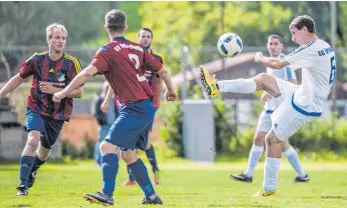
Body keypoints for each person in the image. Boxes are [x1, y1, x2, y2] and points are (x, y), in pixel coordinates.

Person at [53, 9, 178, 206]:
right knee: (127, 154)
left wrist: (63, 92)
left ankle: (107, 194)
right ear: (125, 28)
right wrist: (171, 91)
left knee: (106, 146)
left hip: (134, 108)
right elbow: (162, 70)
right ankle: (152, 196)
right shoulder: (138, 49)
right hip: (145, 107)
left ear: (106, 28)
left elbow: (86, 73)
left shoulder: (107, 50)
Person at [200, 15, 335, 196]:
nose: (293, 38)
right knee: (263, 79)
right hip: (302, 94)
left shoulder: (310, 50)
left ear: (304, 30)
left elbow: (278, 64)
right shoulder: (323, 45)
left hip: (305, 104)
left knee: (272, 140)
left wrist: (260, 58)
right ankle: (216, 87)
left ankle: (270, 189)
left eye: (294, 33)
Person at [0, 23, 83, 196]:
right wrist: (2, 93)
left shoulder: (71, 63)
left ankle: (34, 169)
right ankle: (22, 186)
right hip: (36, 107)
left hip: (58, 113)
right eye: (57, 37)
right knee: (32, 140)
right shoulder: (37, 60)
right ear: (49, 39)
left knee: (44, 151)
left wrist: (56, 91)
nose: (60, 41)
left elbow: (79, 92)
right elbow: (18, 78)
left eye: (63, 38)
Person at [230, 35, 309, 183]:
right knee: (258, 139)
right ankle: (248, 174)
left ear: (281, 46)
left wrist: (271, 92)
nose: (272, 46)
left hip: (281, 111)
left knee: (284, 145)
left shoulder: (285, 62)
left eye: (275, 44)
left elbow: (292, 83)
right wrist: (267, 91)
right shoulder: (269, 62)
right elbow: (271, 83)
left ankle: (302, 175)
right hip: (268, 110)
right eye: (270, 44)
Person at [102, 27, 164, 186]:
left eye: (148, 36)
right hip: (128, 104)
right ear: (138, 38)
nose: (145, 39)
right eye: (142, 36)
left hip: (146, 106)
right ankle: (132, 179)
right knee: (129, 142)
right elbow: (115, 80)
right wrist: (107, 100)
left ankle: (155, 171)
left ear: (152, 39)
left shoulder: (156, 58)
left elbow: (159, 79)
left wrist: (158, 101)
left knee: (146, 142)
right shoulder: (129, 57)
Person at [93, 81, 116, 166]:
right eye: (107, 88)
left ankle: (112, 161)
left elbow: (116, 111)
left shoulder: (113, 100)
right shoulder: (100, 99)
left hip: (113, 125)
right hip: (104, 125)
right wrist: (101, 122)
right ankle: (99, 161)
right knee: (101, 142)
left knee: (113, 144)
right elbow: (96, 113)